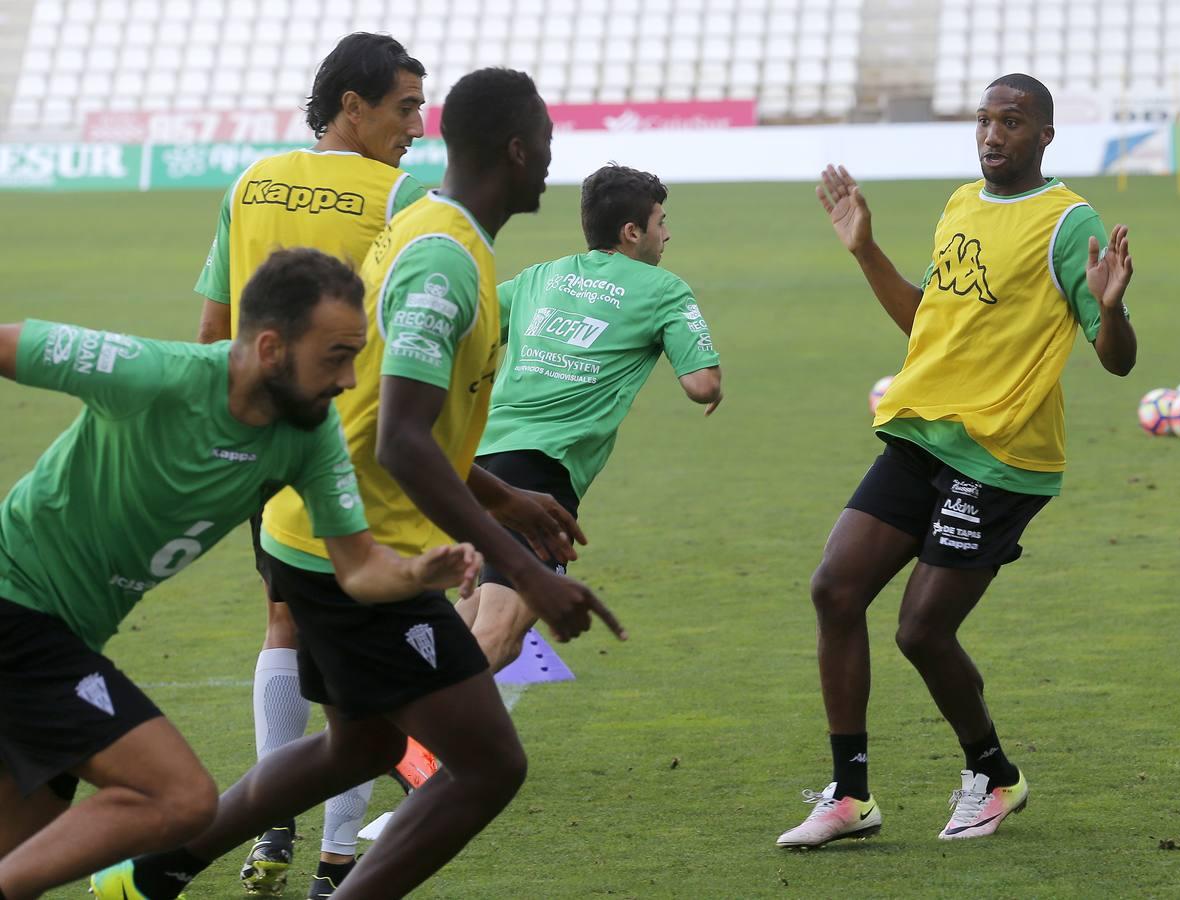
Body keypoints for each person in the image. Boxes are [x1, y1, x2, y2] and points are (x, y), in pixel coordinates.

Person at [93, 68, 623, 900]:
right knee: (489, 766)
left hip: (327, 529)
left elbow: (391, 410)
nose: (552, 167)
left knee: (362, 748)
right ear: (517, 152)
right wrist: (520, 566)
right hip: (362, 551)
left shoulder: (434, 231)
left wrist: (504, 497)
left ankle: (150, 875)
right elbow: (401, 439)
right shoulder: (442, 258)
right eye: (547, 147)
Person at [0, 248, 481, 900]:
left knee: (24, 845)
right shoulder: (154, 375)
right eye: (335, 356)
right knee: (178, 798)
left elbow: (360, 567)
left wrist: (418, 572)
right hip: (16, 608)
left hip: (62, 634)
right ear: (271, 347)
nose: (347, 379)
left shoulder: (308, 437)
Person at [776, 73, 1136, 849]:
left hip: (1001, 452)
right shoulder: (959, 205)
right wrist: (865, 248)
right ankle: (849, 794)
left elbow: (1115, 361)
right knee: (834, 590)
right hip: (921, 431)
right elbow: (927, 326)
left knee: (920, 632)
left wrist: (1106, 311)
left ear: (1043, 135)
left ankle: (994, 776)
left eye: (1011, 121)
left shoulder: (1069, 223)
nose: (991, 134)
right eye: (983, 119)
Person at [192, 32, 430, 896]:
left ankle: (271, 826)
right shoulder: (406, 194)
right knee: (356, 652)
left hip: (262, 434)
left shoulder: (252, 180)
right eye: (404, 107)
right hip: (352, 442)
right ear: (352, 107)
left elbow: (214, 333)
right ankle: (336, 860)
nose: (415, 125)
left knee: (282, 622)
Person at [458, 163, 722, 672]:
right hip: (540, 476)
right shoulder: (663, 289)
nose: (666, 233)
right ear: (631, 232)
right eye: (660, 221)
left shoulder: (541, 275)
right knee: (499, 634)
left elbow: (470, 327)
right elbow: (702, 385)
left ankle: (411, 737)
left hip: (478, 462)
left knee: (472, 621)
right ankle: (395, 740)